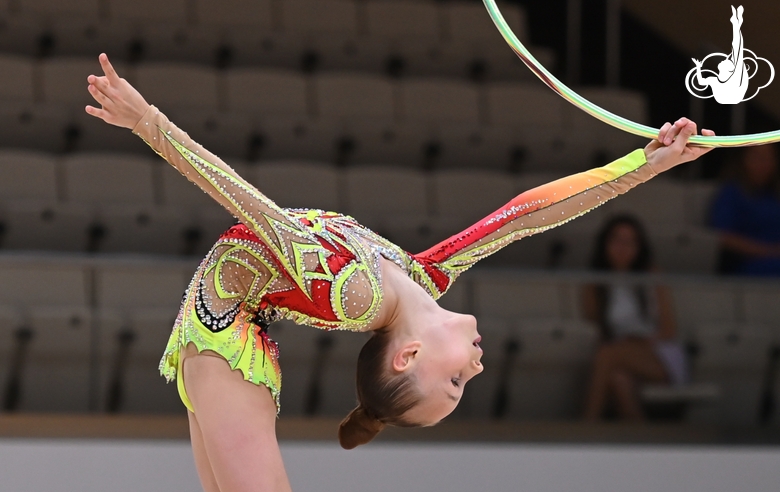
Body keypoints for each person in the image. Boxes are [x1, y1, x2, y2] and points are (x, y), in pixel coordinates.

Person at [85, 52, 714, 491]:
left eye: (455, 384)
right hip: (222, 325)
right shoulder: (422, 276)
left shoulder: (355, 293)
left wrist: (147, 122)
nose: (477, 368)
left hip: (226, 328)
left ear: (407, 357)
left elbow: (257, 211)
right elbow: (525, 216)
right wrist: (643, 166)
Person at [581, 216, 687, 422]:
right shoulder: (595, 284)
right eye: (617, 241)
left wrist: (638, 342)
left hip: (657, 353)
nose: (623, 248)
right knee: (618, 380)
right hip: (619, 351)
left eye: (629, 242)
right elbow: (598, 330)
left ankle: (587, 424)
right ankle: (642, 438)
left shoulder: (651, 276)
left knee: (607, 355)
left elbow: (668, 329)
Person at [711, 144, 780, 276]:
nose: (763, 163)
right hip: (747, 266)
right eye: (757, 157)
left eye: (768, 158)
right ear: (743, 159)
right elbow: (723, 236)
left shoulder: (774, 194)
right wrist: (769, 251)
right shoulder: (731, 193)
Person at [692, 5, 748, 104]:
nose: (724, 59)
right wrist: (698, 67)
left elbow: (737, 47)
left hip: (733, 95)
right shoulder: (714, 80)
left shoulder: (734, 79)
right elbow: (701, 82)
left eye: (727, 61)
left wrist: (736, 25)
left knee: (737, 52)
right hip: (726, 96)